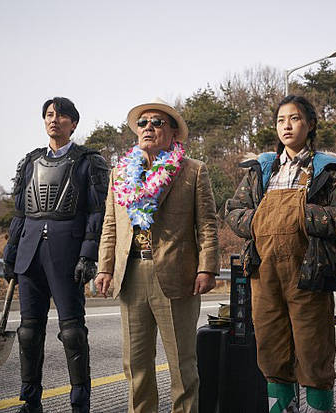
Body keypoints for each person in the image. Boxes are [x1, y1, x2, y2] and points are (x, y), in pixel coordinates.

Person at [225, 95, 336, 413]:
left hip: (311, 271)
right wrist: (261, 220)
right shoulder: (262, 169)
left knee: (314, 348)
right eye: (280, 120)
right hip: (263, 271)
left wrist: (300, 216)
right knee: (271, 348)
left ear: (310, 124)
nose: (286, 125)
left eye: (295, 118)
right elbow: (233, 211)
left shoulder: (329, 170)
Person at [94, 97, 220, 413]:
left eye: (156, 122)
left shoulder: (193, 171)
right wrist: (104, 267)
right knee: (135, 364)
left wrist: (207, 268)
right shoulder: (120, 173)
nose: (148, 127)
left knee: (182, 365)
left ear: (174, 132)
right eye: (143, 122)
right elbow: (110, 224)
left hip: (177, 274)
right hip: (131, 274)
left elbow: (207, 224)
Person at [2, 97, 110, 413]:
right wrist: (10, 251)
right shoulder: (30, 162)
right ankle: (30, 402)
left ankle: (80, 404)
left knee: (73, 332)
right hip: (29, 252)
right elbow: (20, 212)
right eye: (49, 115)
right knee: (28, 332)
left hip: (68, 254)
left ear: (73, 124)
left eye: (61, 116)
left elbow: (97, 212)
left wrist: (88, 255)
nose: (54, 120)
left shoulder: (89, 161)